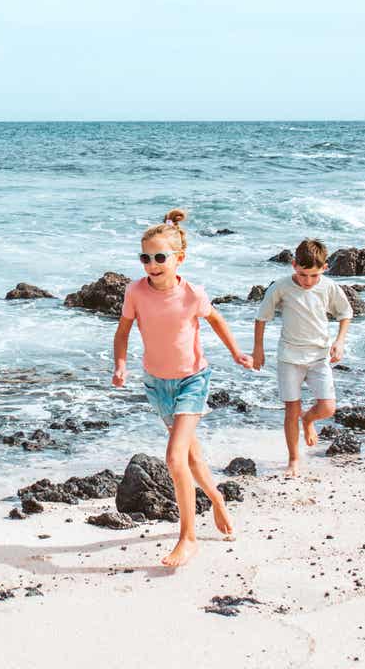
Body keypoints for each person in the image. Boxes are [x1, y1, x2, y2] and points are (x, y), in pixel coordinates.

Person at [112, 209, 253, 568]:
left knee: (175, 459)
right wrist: (121, 364)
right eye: (146, 257)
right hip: (156, 384)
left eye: (160, 257)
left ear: (179, 259)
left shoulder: (192, 294)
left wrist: (237, 352)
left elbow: (217, 321)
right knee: (190, 457)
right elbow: (124, 330)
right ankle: (218, 500)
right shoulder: (135, 291)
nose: (152, 264)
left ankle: (187, 538)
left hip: (192, 380)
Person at [252, 238, 353, 478]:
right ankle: (294, 459)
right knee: (290, 411)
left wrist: (339, 341)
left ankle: (308, 420)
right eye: (302, 275)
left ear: (325, 268)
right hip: (289, 357)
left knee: (328, 407)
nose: (308, 281)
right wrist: (258, 349)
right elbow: (262, 317)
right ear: (294, 265)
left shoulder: (328, 287)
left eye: (314, 276)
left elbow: (345, 313)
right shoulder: (281, 287)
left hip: (319, 357)